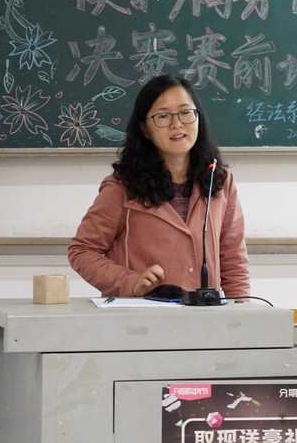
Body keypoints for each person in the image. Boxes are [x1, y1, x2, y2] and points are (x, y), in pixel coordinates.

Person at [68, 74, 251, 300]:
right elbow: (82, 251)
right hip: (142, 317)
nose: (177, 124)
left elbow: (233, 261)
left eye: (185, 112)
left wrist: (241, 312)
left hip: (204, 316)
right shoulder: (123, 186)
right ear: (145, 129)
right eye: (163, 116)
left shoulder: (219, 181)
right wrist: (129, 282)